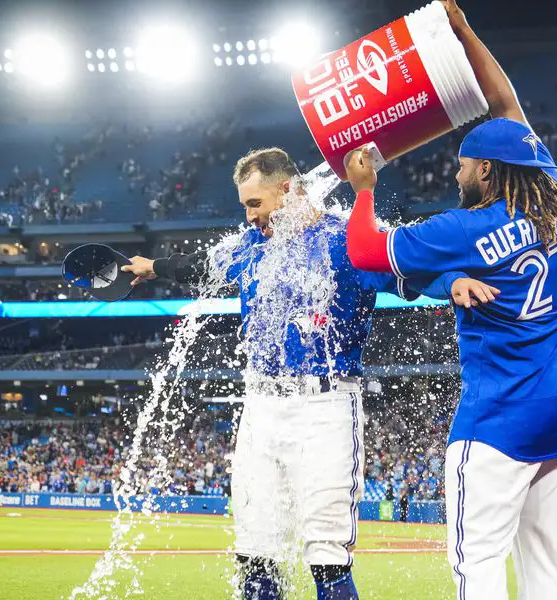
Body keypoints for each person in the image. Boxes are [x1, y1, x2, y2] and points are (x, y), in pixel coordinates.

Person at [122, 147, 463, 600]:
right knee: (256, 552)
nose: (248, 217)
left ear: (287, 190)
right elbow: (202, 266)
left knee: (326, 554)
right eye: (244, 206)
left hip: (325, 407)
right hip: (260, 406)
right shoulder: (249, 248)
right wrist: (154, 268)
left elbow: (410, 272)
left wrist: (452, 282)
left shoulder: (346, 239)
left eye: (254, 204)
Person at [344, 2, 557, 597]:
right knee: (545, 566)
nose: (455, 173)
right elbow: (507, 107)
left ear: (485, 169)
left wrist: (364, 191)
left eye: (463, 164)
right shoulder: (551, 196)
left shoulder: (461, 229)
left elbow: (364, 251)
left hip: (503, 417)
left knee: (477, 562)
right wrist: (461, 29)